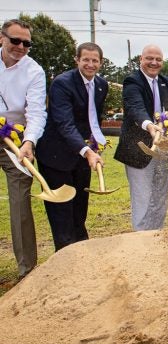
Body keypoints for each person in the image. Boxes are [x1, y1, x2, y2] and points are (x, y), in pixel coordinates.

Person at [36, 42, 107, 251]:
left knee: (79, 208)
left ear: (101, 63)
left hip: (83, 157)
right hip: (56, 156)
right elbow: (64, 123)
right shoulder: (62, 83)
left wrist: (96, 143)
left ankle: (81, 253)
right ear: (77, 60)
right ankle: (65, 256)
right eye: (86, 59)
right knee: (61, 212)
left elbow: (93, 119)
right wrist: (86, 150)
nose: (90, 64)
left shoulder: (101, 85)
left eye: (95, 60)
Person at [113, 44, 168, 230]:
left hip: (164, 148)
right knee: (143, 198)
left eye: (158, 59)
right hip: (138, 148)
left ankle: (156, 237)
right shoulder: (132, 81)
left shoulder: (167, 82)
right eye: (149, 58)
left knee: (160, 197)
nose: (154, 62)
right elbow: (135, 108)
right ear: (140, 59)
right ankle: (140, 240)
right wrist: (149, 126)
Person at [0, 19, 46, 279]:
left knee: (20, 202)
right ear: (1, 38)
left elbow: (37, 111)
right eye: (15, 40)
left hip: (17, 139)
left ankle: (26, 271)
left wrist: (29, 142)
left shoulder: (34, 71)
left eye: (26, 43)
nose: (20, 47)